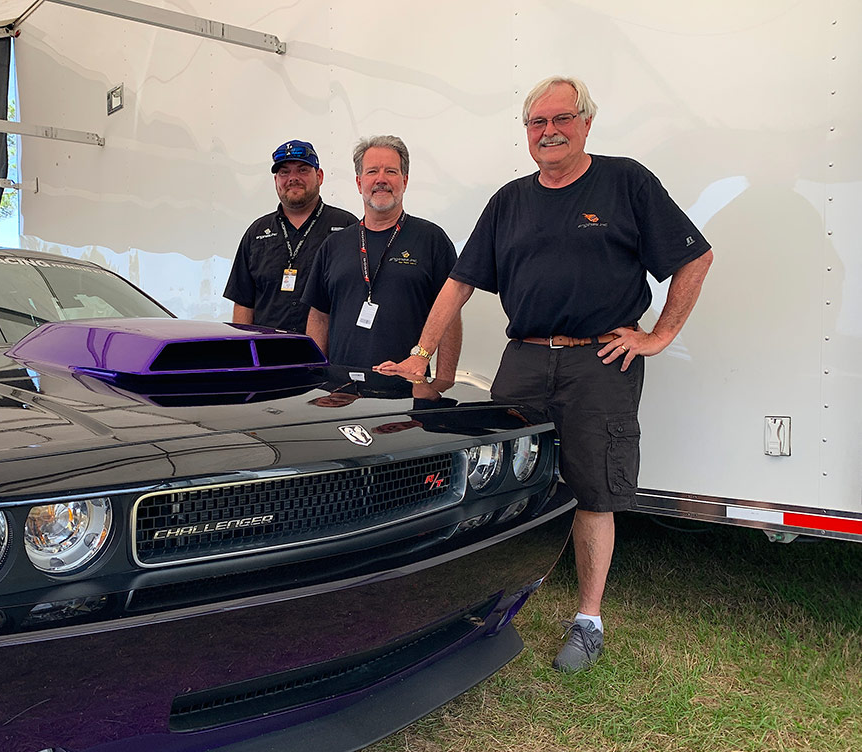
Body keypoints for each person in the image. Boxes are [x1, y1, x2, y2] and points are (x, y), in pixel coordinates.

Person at [375, 76, 714, 672]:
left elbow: (695, 255)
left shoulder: (625, 181)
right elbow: (460, 282)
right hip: (525, 357)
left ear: (586, 123)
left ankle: (588, 620)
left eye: (561, 119)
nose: (549, 132)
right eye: (537, 122)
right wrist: (421, 353)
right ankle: (483, 603)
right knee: (493, 481)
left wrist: (658, 336)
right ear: (526, 132)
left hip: (599, 360)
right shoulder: (509, 200)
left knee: (593, 489)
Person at [300, 135, 462, 378]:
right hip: (341, 394)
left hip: (405, 390)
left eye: (391, 172)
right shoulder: (334, 245)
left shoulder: (431, 240)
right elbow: (319, 317)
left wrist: (445, 381)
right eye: (372, 171)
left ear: (405, 181)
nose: (381, 180)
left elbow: (449, 318)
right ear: (359, 182)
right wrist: (313, 375)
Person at [223, 139, 358, 333]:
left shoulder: (346, 228)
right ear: (276, 180)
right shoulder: (257, 233)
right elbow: (244, 302)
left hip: (327, 357)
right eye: (284, 172)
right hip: (267, 357)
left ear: (319, 176)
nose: (293, 178)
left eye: (302, 170)